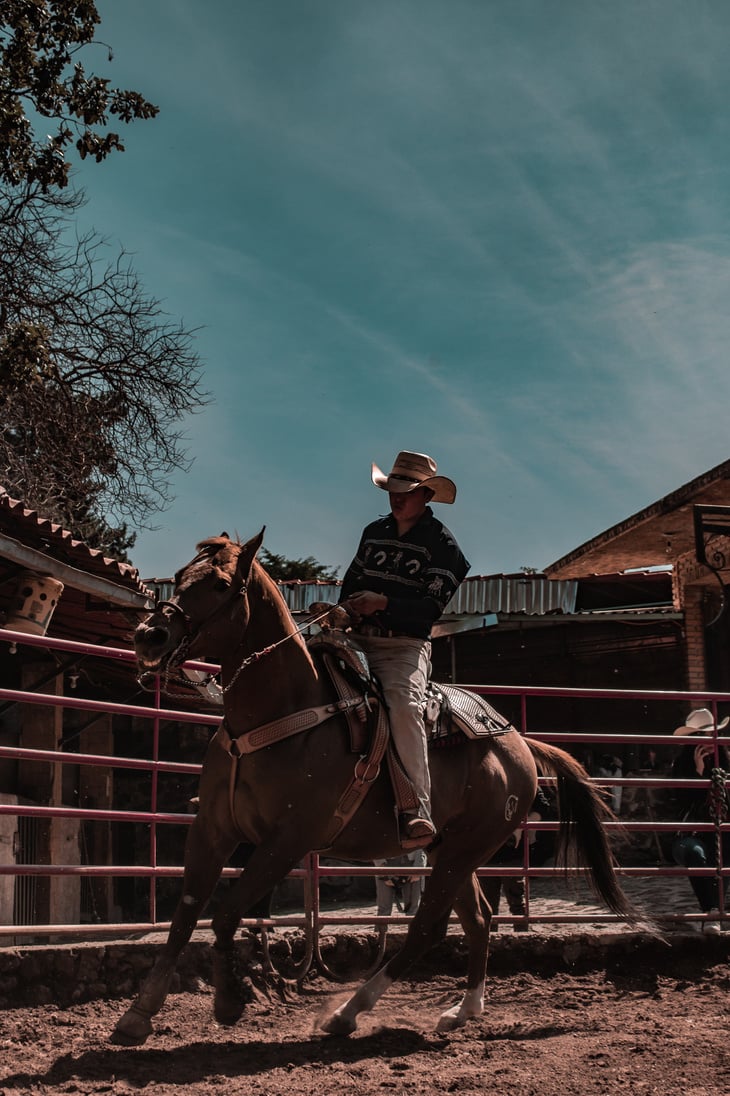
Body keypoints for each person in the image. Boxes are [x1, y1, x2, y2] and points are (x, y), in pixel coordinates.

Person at [338, 450, 470, 846]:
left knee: (403, 704)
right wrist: (343, 610)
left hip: (403, 648)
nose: (397, 497)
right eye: (393, 489)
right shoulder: (372, 532)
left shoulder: (444, 547)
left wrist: (383, 604)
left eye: (407, 491)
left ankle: (417, 809)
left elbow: (427, 613)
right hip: (356, 636)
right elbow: (350, 584)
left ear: (426, 495)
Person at [670, 708, 730, 933]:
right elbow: (682, 802)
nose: (705, 741)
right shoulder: (680, 765)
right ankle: (712, 911)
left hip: (720, 830)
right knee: (696, 854)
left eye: (709, 735)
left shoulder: (725, 761)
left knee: (728, 850)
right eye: (700, 736)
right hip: (689, 834)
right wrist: (698, 773)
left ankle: (713, 911)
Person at [373, 849, 427, 918]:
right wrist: (382, 869)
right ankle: (380, 929)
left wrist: (418, 868)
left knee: (413, 910)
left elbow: (422, 846)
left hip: (412, 863)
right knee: (383, 910)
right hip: (386, 862)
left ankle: (414, 928)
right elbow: (375, 845)